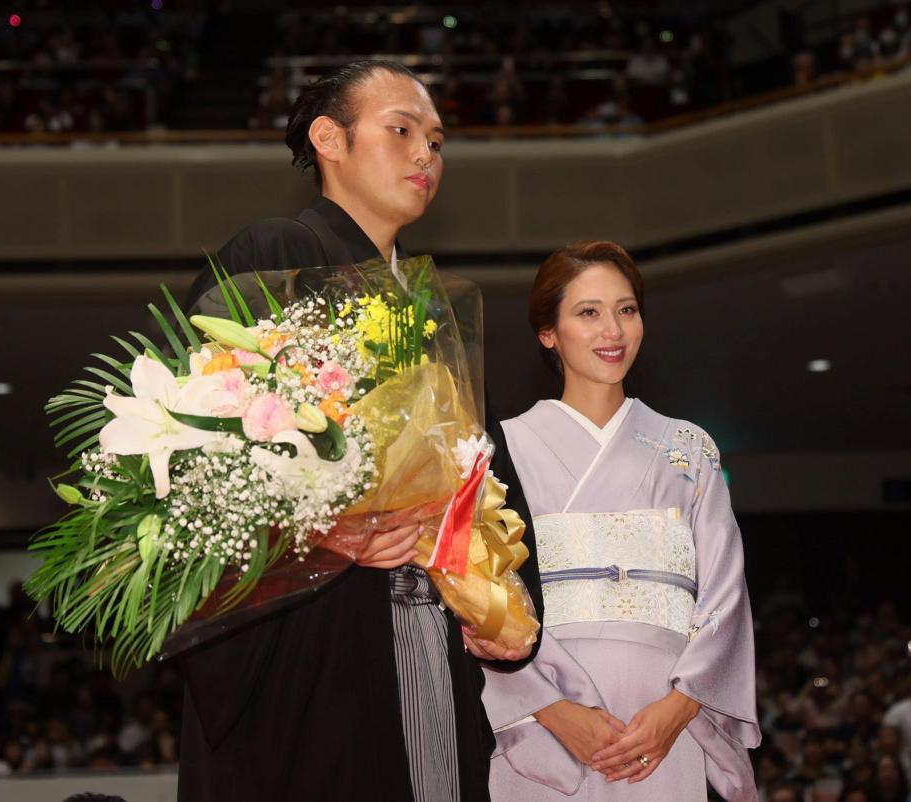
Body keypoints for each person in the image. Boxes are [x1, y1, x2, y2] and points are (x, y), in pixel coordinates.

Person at [178, 60, 541, 802]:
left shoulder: (432, 306)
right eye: (401, 130)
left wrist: (498, 598)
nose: (424, 156)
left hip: (427, 630)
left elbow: (474, 480)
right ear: (329, 139)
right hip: (317, 644)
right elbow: (199, 466)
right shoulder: (272, 255)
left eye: (436, 142)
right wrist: (321, 538)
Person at [481, 241, 760, 800]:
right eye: (589, 312)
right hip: (540, 720)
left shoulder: (689, 449)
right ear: (548, 332)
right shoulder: (497, 449)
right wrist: (554, 711)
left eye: (626, 310)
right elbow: (476, 603)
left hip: (659, 726)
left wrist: (678, 710)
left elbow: (725, 597)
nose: (613, 329)